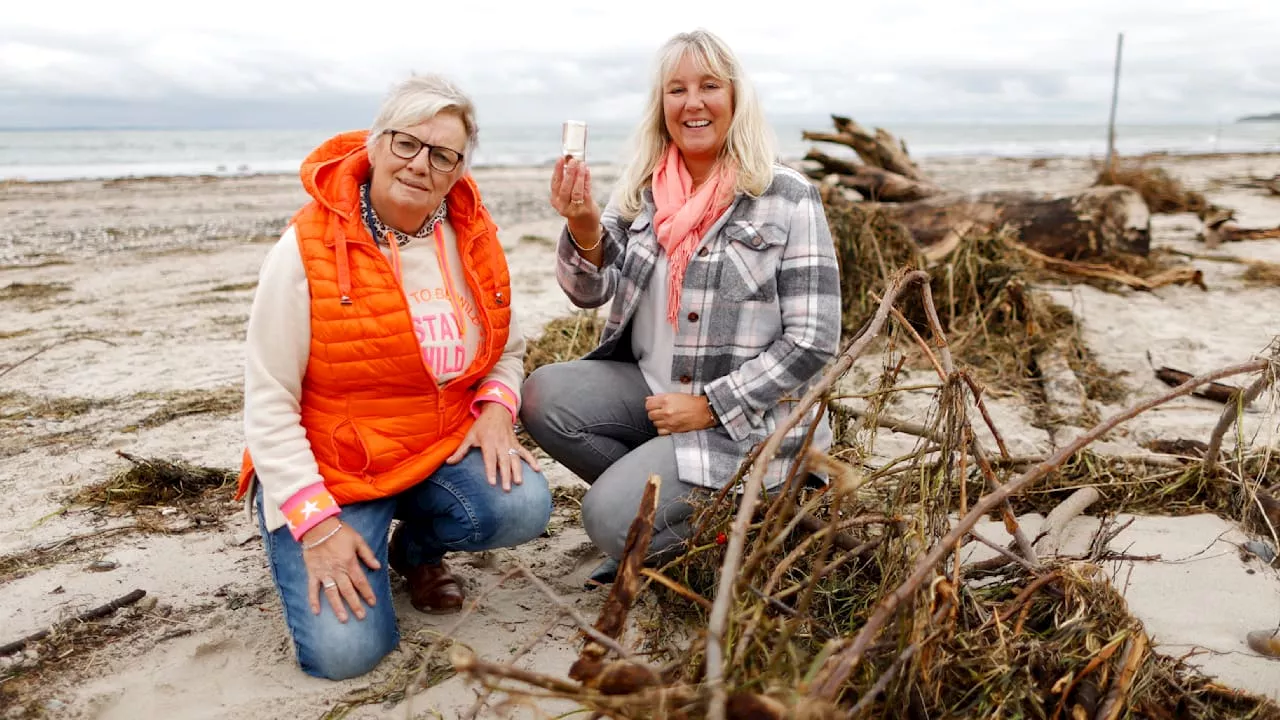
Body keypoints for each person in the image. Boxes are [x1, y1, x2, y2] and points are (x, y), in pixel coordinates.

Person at [234, 73, 552, 681]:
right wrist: (317, 524)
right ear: (375, 145)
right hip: (335, 470)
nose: (419, 164)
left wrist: (494, 410)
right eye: (406, 143)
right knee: (346, 655)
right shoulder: (304, 250)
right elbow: (268, 399)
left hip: (430, 450)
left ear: (458, 170)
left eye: (442, 155)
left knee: (522, 505)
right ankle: (331, 541)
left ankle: (416, 550)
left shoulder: (473, 240)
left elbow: (506, 349)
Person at [520, 29, 842, 584]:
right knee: (545, 395)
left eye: (709, 86)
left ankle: (730, 509)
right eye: (677, 89)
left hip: (746, 421)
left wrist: (712, 406)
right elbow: (588, 292)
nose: (692, 102)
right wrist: (582, 226)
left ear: (735, 100)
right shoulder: (644, 189)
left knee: (606, 520)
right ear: (661, 105)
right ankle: (667, 500)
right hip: (654, 395)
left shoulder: (786, 195)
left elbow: (814, 337)